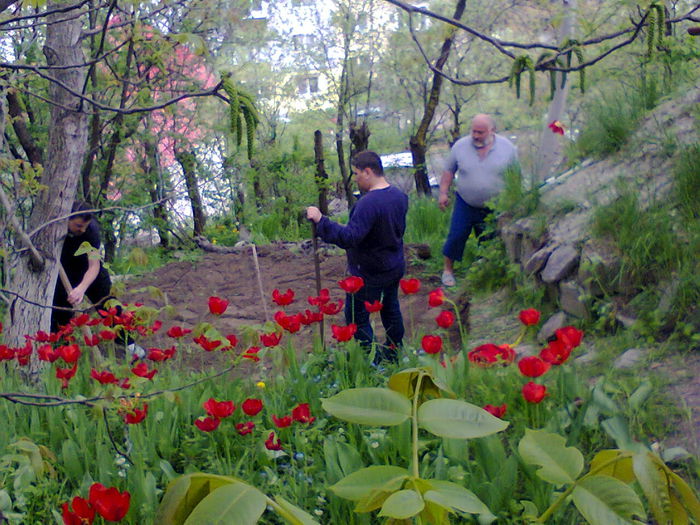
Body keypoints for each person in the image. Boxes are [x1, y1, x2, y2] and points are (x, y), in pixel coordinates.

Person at [306, 150, 409, 364]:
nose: (355, 178)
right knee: (390, 309)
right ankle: (394, 353)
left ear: (368, 172)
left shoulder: (369, 203)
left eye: (356, 173)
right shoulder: (399, 196)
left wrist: (321, 221)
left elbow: (350, 237)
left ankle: (370, 362)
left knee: (357, 318)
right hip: (393, 265)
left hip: (369, 272)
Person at [52, 202, 144, 358]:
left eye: (85, 226)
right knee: (60, 313)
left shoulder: (91, 232)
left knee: (109, 306)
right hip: (65, 274)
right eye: (78, 225)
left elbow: (93, 265)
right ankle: (61, 354)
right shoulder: (54, 228)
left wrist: (81, 288)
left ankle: (130, 346)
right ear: (68, 219)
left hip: (91, 274)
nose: (82, 230)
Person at [438, 113, 518, 287]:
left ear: (492, 131)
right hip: (465, 201)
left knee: (490, 240)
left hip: (495, 205)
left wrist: (515, 201)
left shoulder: (508, 148)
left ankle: (485, 273)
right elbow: (448, 171)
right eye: (473, 131)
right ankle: (447, 271)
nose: (475, 136)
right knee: (456, 235)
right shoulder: (460, 146)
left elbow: (516, 177)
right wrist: (443, 193)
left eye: (480, 132)